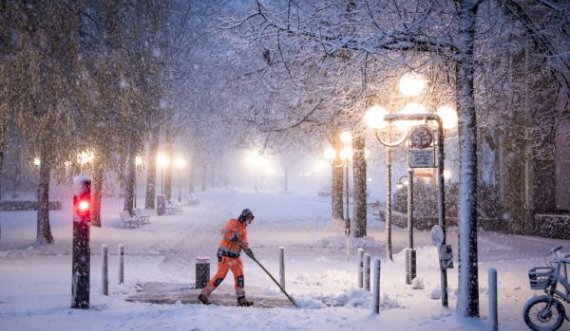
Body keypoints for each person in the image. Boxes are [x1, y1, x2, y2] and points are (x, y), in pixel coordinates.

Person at [198, 208, 256, 306]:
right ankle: (204, 295)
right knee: (220, 276)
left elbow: (244, 243)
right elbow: (224, 231)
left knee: (240, 277)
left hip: (235, 258)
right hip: (225, 255)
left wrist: (247, 250)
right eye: (248, 220)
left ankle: (241, 299)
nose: (249, 222)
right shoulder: (233, 222)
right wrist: (232, 236)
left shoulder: (244, 229)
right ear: (243, 217)